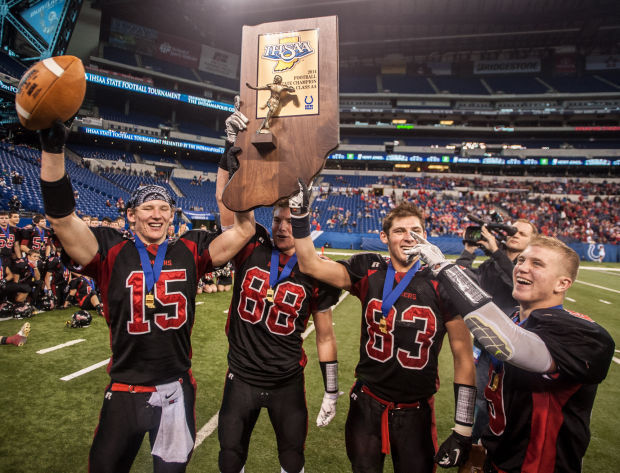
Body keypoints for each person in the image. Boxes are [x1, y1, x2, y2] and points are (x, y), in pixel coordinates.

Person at [37, 119, 255, 473]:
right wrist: (52, 149)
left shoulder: (191, 248)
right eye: (148, 208)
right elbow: (62, 221)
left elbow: (243, 228)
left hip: (174, 389)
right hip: (124, 388)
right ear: (131, 215)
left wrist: (232, 152)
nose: (156, 214)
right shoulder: (109, 249)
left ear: (173, 217)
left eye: (164, 208)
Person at [288, 184, 476, 473]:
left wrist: (463, 429)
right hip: (367, 402)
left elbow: (464, 357)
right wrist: (300, 215)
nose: (409, 236)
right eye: (400, 230)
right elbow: (311, 264)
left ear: (425, 236)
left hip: (416, 409)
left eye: (416, 230)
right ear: (384, 237)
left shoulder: (443, 282)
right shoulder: (369, 268)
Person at [408, 233, 615, 473]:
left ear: (562, 283)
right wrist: (466, 433)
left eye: (537, 264)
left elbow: (506, 343)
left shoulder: (584, 334)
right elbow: (478, 381)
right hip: (496, 460)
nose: (522, 268)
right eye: (521, 261)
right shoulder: (513, 320)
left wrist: (443, 267)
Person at [215, 118, 340, 473]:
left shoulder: (314, 269)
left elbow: (326, 336)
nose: (283, 226)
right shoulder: (250, 245)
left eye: (290, 219)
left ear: (302, 221)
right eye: (277, 218)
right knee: (229, 458)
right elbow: (227, 206)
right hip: (241, 375)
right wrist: (230, 152)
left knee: (292, 460)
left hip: (287, 380)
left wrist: (331, 389)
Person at [455, 219, 537, 441]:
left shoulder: (531, 268)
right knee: (481, 398)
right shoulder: (491, 265)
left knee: (511, 404)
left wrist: (495, 252)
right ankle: (476, 448)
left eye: (522, 232)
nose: (514, 234)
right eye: (512, 230)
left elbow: (518, 283)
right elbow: (460, 279)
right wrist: (469, 250)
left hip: (516, 348)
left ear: (533, 241)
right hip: (486, 345)